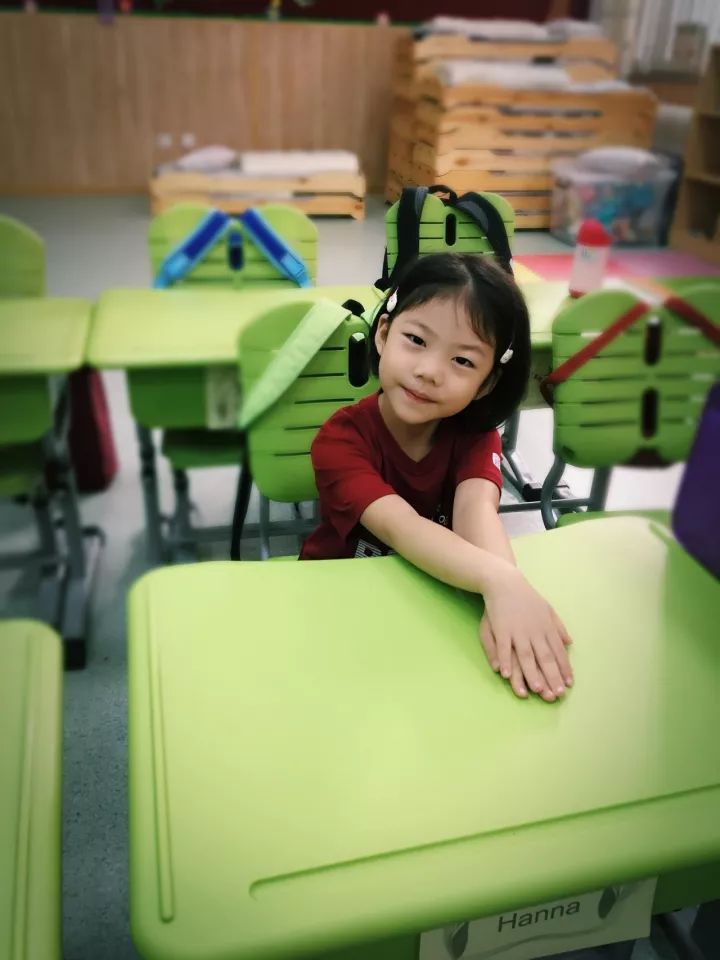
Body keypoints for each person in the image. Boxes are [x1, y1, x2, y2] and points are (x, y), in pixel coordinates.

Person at [300, 253, 573, 702]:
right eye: (416, 340)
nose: (429, 371)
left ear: (487, 383)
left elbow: (476, 513)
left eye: (462, 361)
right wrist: (501, 582)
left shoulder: (475, 436)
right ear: (383, 334)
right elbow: (403, 528)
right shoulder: (340, 441)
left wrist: (507, 587)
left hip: (429, 599)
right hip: (337, 600)